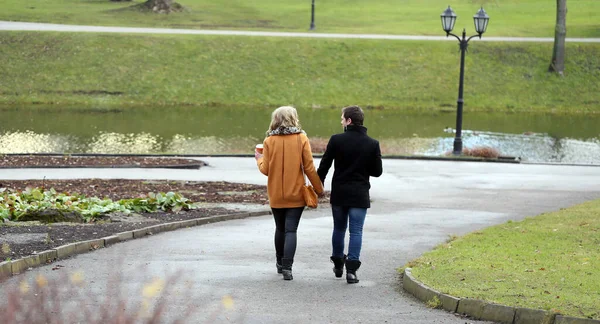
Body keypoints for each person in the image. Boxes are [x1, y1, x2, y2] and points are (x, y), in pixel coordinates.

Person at [255, 106, 324, 281]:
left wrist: (259, 159)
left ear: (275, 120)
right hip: (296, 193)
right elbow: (309, 167)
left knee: (279, 228)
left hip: (276, 194)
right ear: (294, 119)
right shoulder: (301, 138)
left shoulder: (269, 141)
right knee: (291, 230)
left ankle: (279, 263)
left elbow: (266, 170)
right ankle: (288, 268)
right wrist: (319, 189)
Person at [317, 105, 383, 284]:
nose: (341, 121)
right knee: (356, 231)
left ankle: (338, 264)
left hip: (340, 192)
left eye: (342, 118)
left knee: (339, 228)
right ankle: (351, 271)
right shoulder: (372, 143)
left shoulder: (337, 140)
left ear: (349, 121)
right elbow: (377, 172)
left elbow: (324, 165)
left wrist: (318, 186)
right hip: (360, 194)